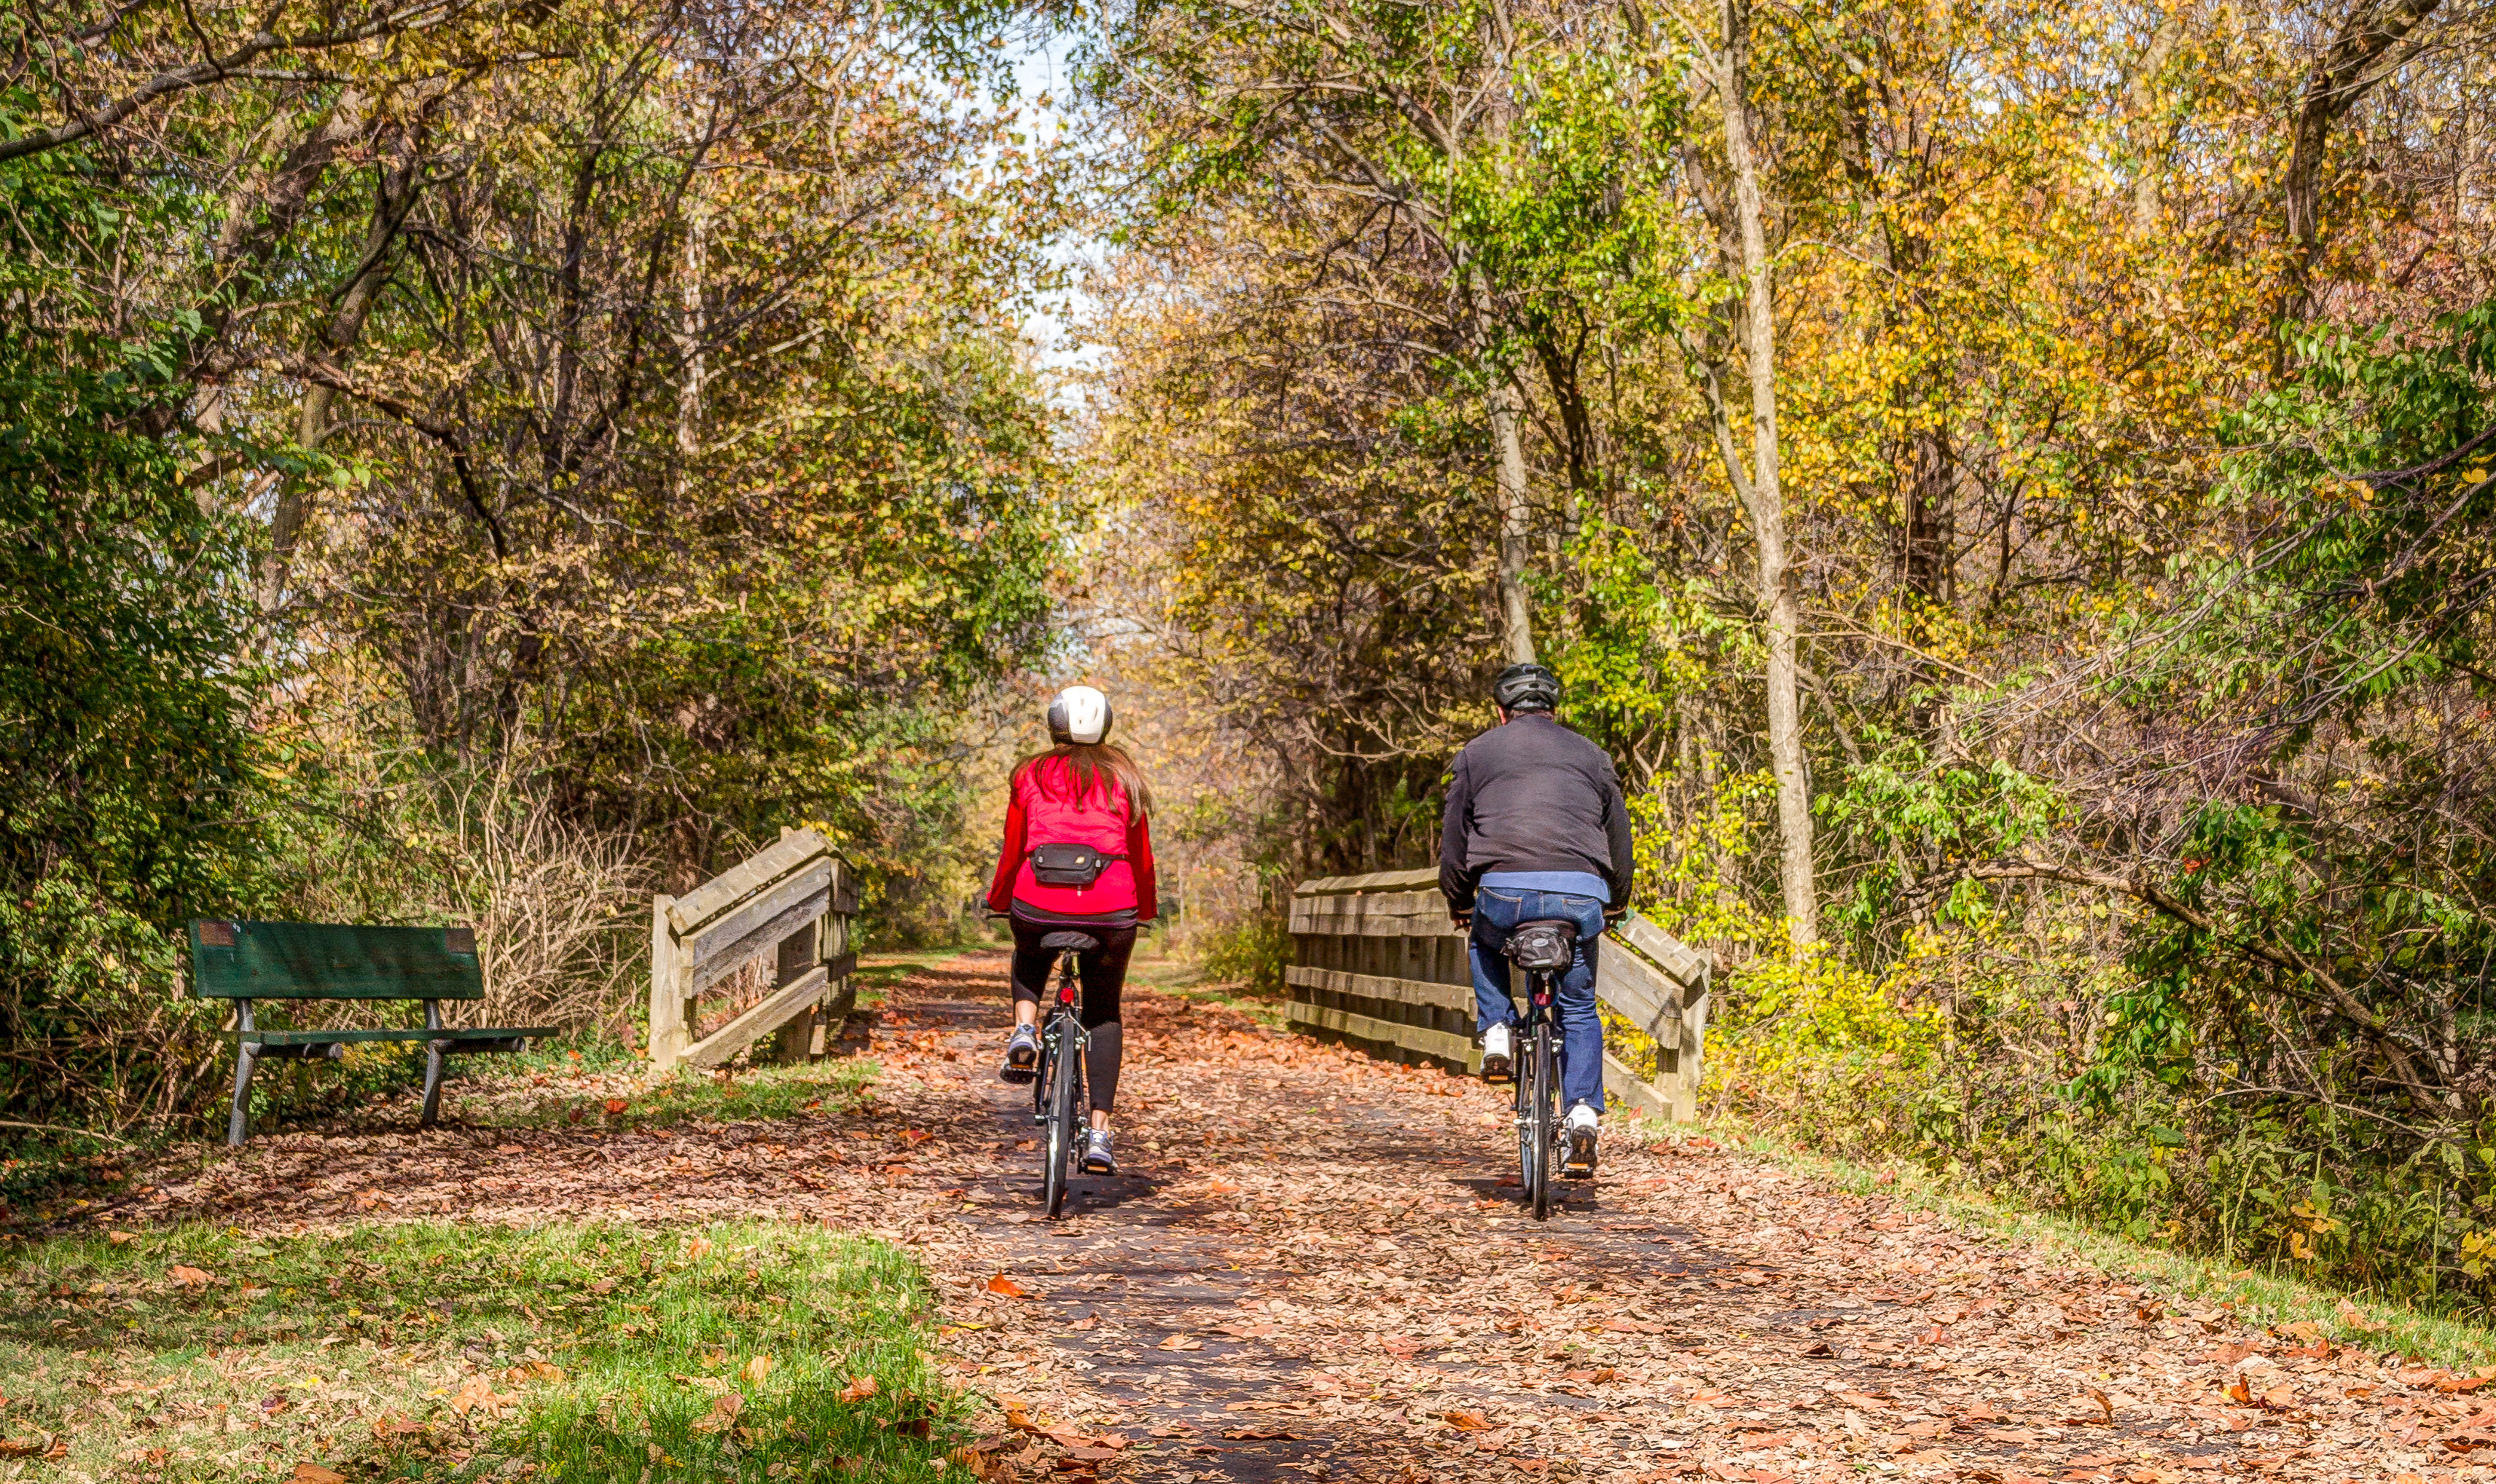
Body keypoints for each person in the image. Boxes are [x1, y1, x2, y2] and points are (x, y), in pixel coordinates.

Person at [1438, 661, 1632, 1176]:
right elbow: (1619, 836)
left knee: (1481, 937)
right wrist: (1615, 900)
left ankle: (1498, 1026)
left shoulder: (1475, 754)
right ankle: (1584, 1112)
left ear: (1501, 712)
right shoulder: (1592, 755)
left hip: (1506, 894)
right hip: (1579, 898)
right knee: (1578, 1006)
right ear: (1553, 711)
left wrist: (1458, 899)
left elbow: (1454, 840)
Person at [985, 684, 1158, 1176]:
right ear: (1105, 725)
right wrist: (1141, 908)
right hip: (1111, 909)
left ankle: (1024, 1027)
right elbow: (1140, 857)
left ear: (1054, 725)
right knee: (1104, 1010)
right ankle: (1099, 1132)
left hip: (1036, 898)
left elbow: (1013, 844)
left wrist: (1003, 899)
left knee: (1029, 949)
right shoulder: (1125, 775)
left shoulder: (1030, 773)